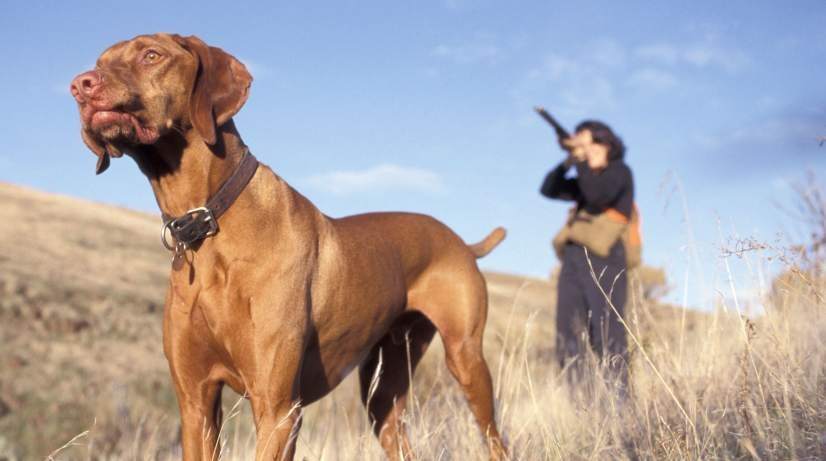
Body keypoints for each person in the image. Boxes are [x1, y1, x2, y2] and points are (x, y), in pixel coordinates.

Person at [539, 116, 633, 391]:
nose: (584, 150)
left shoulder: (619, 172)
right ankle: (581, 404)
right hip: (573, 258)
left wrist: (580, 161)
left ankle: (618, 401)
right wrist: (570, 160)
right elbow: (548, 189)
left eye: (589, 143)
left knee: (606, 331)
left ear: (605, 143)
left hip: (605, 257)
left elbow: (597, 195)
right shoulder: (583, 174)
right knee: (568, 332)